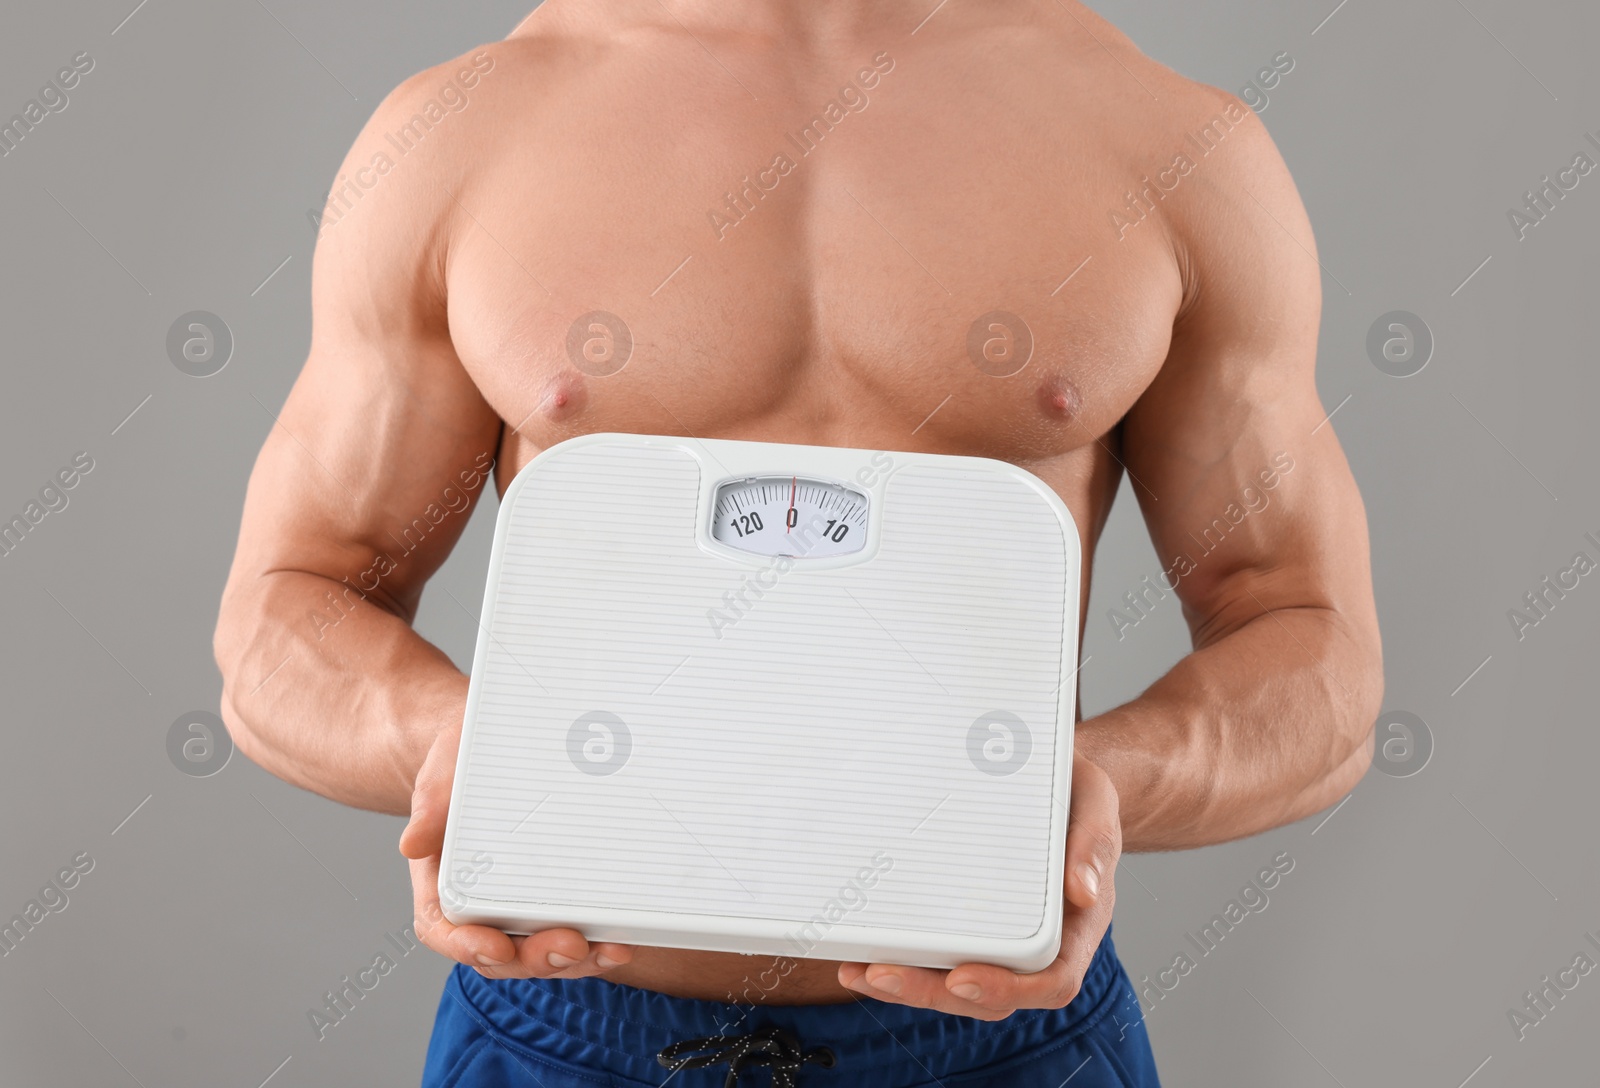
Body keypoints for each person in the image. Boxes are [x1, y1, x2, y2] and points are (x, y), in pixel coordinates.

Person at [213, 1, 1383, 1084]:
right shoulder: (465, 130)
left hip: (997, 1039)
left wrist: (1098, 786)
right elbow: (285, 612)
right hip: (567, 1030)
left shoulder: (1169, 143)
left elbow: (1313, 647)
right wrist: (456, 743)